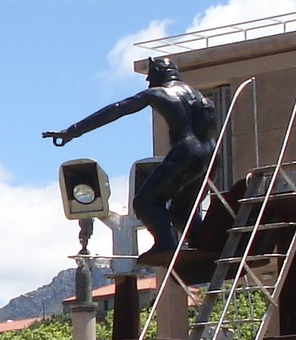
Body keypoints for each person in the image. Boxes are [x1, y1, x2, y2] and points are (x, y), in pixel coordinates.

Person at [45, 57, 218, 263]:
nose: (148, 82)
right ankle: (202, 243)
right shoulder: (197, 96)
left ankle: (165, 242)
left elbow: (118, 108)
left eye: (150, 77)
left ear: (158, 73)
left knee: (146, 201)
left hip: (186, 151)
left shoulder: (159, 93)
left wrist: (72, 131)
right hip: (210, 154)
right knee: (182, 210)